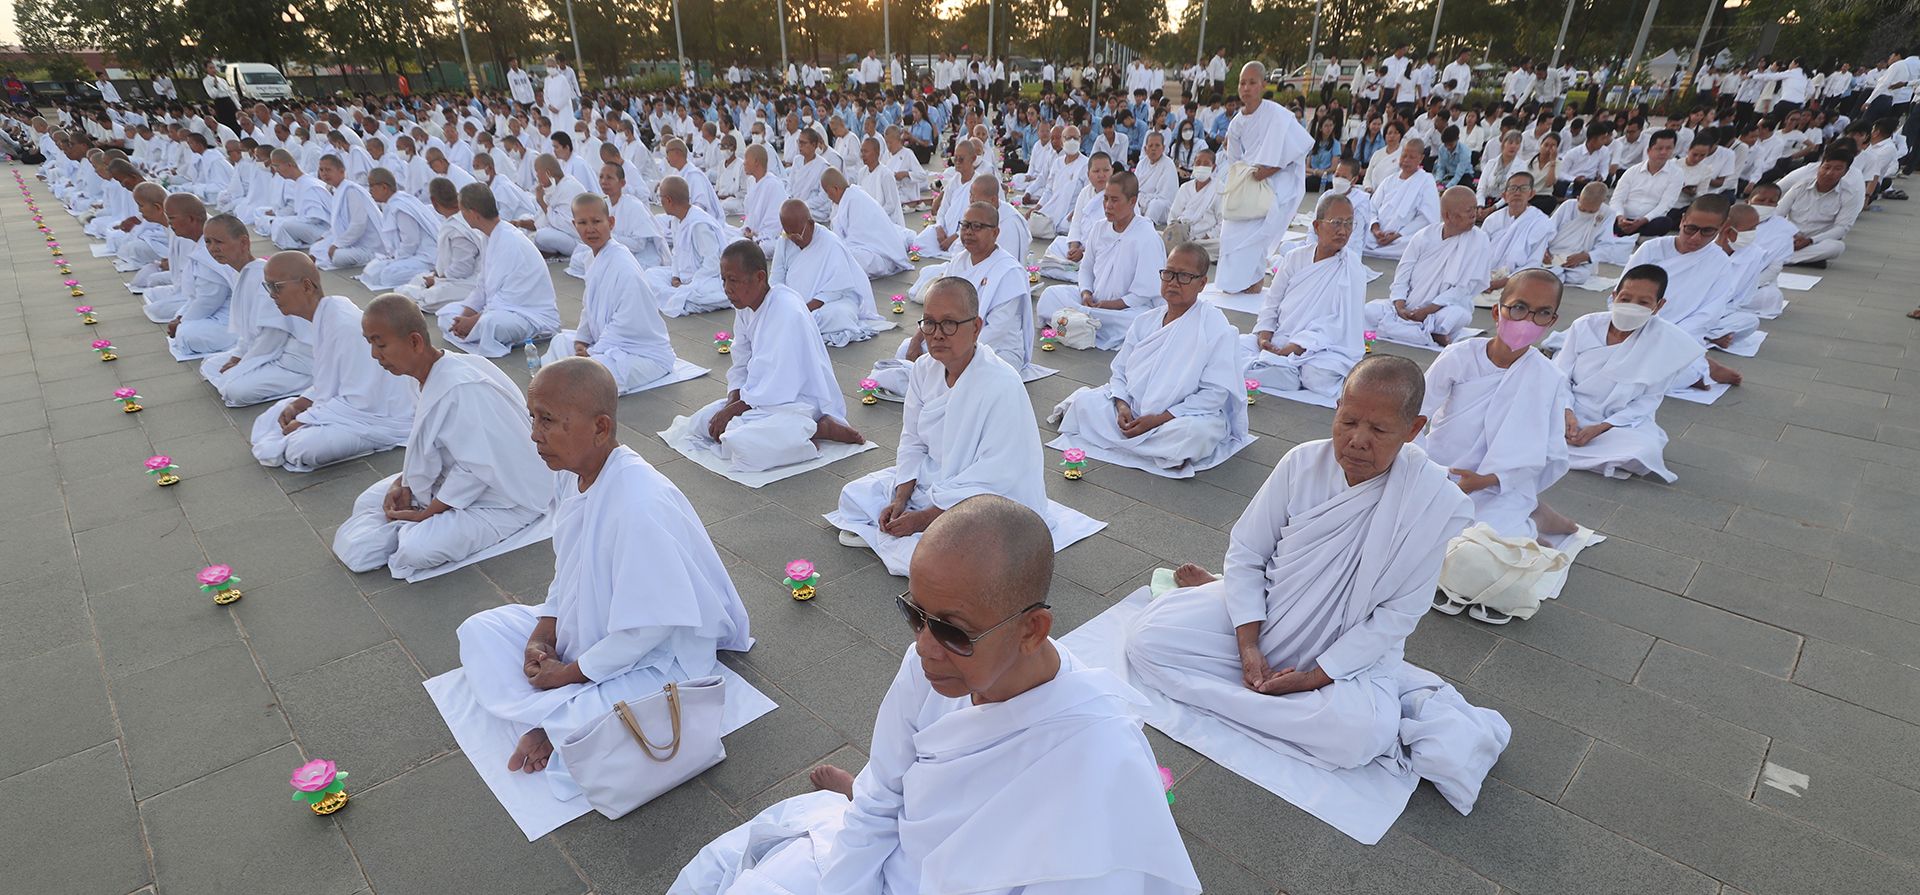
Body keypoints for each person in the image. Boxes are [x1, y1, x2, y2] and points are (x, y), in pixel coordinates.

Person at [672, 496, 1202, 895]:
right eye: (915, 614)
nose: (925, 646)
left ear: (1032, 630)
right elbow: (880, 801)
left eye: (952, 629)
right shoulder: (925, 664)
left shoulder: (1103, 759)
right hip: (889, 866)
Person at [1122, 356, 1506, 811]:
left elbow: (1399, 614)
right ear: (1336, 408)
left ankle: (1269, 683)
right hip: (1267, 611)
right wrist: (1249, 646)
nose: (1357, 440)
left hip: (1347, 647)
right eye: (1348, 421)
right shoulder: (1301, 463)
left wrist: (1315, 678)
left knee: (1361, 736)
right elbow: (1248, 552)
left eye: (1379, 430)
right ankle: (1245, 647)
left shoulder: (1432, 502)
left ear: (1413, 429)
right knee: (1148, 640)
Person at [447, 357, 753, 791]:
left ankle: (555, 722)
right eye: (532, 417)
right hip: (590, 629)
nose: (534, 434)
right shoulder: (571, 475)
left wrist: (567, 674)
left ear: (600, 427)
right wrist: (542, 634)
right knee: (480, 630)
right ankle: (559, 713)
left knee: (590, 724)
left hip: (661, 656)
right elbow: (567, 572)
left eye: (547, 420)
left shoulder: (639, 503)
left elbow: (648, 630)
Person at [830, 278, 1052, 573]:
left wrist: (923, 519)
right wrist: (901, 498)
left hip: (980, 497)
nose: (937, 334)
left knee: (965, 544)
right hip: (932, 481)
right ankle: (920, 534)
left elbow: (999, 474)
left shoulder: (1002, 383)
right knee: (854, 493)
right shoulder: (923, 369)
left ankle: (924, 537)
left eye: (949, 324)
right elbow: (912, 439)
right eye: (930, 323)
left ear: (976, 327)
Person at [334, 295, 554, 579]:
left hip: (505, 496)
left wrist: (428, 513)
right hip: (451, 480)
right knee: (367, 503)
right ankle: (403, 528)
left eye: (381, 344)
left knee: (413, 551)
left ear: (415, 341)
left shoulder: (461, 387)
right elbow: (430, 446)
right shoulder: (422, 376)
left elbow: (476, 469)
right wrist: (404, 483)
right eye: (370, 344)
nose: (375, 355)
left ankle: (408, 531)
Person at [1049, 243, 1250, 478]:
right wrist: (1122, 406)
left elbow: (1214, 394)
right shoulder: (1145, 321)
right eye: (1169, 273)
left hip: (1180, 416)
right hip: (1133, 408)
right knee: (1084, 403)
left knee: (1193, 434)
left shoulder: (1216, 327)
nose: (1173, 282)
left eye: (1184, 276)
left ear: (1202, 283)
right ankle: (1151, 446)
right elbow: (1120, 372)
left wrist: (1158, 419)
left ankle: (1146, 442)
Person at [681, 240, 866, 472]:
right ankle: (793, 435)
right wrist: (731, 402)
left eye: (733, 280)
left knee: (743, 444)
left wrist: (733, 411)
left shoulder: (786, 310)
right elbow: (741, 361)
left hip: (797, 402)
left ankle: (818, 428)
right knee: (700, 424)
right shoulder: (745, 307)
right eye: (723, 280)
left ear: (759, 277)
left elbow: (776, 382)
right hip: (760, 399)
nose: (727, 288)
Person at [1419, 269, 1572, 543]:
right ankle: (1534, 516)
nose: (1528, 320)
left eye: (1542, 313)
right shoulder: (1459, 356)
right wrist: (1423, 467)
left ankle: (1532, 518)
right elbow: (1413, 414)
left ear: (1552, 321)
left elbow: (1548, 452)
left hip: (1497, 485)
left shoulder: (1550, 377)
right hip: (1438, 471)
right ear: (1497, 311)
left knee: (1481, 540)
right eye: (1519, 308)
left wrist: (1487, 480)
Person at [250, 252, 415, 472]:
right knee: (272, 417)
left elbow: (362, 399)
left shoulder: (342, 323)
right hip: (350, 406)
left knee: (302, 448)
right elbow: (331, 379)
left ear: (306, 286)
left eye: (276, 287)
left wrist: (308, 418)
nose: (272, 295)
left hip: (380, 416)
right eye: (268, 287)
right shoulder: (326, 316)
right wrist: (301, 403)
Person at [869, 202, 1037, 396]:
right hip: (951, 337)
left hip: (994, 350)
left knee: (976, 379)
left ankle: (926, 383)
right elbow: (935, 310)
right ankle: (926, 381)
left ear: (995, 232)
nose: (969, 232)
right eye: (965, 225)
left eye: (977, 227)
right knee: (906, 349)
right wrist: (917, 340)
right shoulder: (959, 261)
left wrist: (954, 354)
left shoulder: (1009, 271)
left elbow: (998, 330)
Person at [1554, 265, 1703, 483]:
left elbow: (1648, 401)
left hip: (1617, 422)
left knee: (1643, 451)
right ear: (1614, 296)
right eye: (1625, 299)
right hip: (1569, 407)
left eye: (1643, 303)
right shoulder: (1585, 325)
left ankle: (1564, 448)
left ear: (1658, 306)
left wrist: (1601, 428)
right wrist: (1566, 412)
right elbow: (1559, 376)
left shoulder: (1667, 342)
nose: (1632, 307)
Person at [538, 193, 679, 394]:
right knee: (560, 342)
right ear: (574, 225)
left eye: (596, 221)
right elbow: (589, 307)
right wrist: (581, 341)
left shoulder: (624, 266)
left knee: (592, 372)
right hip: (605, 344)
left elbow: (627, 322)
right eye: (583, 223)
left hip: (642, 354)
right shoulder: (592, 258)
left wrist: (592, 352)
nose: (590, 229)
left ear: (610, 223)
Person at [1243, 194, 1366, 399]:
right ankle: (1281, 372)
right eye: (1336, 223)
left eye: (1349, 223)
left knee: (1316, 376)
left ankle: (1278, 372)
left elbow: (1339, 324)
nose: (1343, 231)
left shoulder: (1352, 268)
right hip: (1280, 338)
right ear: (1317, 226)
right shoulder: (1294, 258)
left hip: (1322, 349)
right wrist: (1264, 336)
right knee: (1233, 343)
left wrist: (1298, 346)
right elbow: (1272, 301)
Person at [1624, 196, 1746, 388]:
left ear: (1721, 228)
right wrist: (1637, 325)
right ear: (1682, 221)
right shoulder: (1651, 249)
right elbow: (1620, 296)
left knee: (1639, 377)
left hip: (1680, 335)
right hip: (1636, 325)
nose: (1696, 238)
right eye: (1691, 228)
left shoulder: (1720, 262)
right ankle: (1700, 367)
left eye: (1707, 232)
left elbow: (1709, 313)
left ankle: (1697, 368)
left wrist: (1665, 335)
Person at [1034, 172, 1165, 350]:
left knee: (1140, 322)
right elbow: (1086, 268)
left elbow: (1145, 292)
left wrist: (1113, 305)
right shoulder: (1099, 228)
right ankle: (1085, 322)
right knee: (1050, 295)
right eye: (1105, 199)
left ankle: (1079, 322)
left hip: (1125, 310)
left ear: (1132, 201)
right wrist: (1086, 293)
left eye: (1114, 200)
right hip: (1094, 301)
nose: (1108, 206)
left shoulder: (1147, 236)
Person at [1216, 62, 1311, 294]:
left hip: (1273, 184)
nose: (1246, 88)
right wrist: (1248, 175)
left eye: (1252, 83)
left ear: (1263, 85)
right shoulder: (1236, 122)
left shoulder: (1277, 115)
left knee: (1257, 237)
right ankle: (1231, 283)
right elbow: (1234, 161)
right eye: (1242, 83)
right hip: (1247, 182)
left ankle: (1253, 283)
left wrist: (1269, 170)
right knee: (1230, 231)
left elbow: (1299, 146)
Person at [436, 183, 561, 357]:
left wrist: (473, 321)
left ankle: (474, 332)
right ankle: (471, 332)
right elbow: (482, 287)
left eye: (462, 210)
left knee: (490, 324)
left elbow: (503, 297)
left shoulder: (509, 240)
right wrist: (464, 318)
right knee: (446, 315)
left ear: (473, 214)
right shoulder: (488, 237)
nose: (461, 215)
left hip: (528, 314)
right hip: (502, 308)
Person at [198, 214, 311, 407]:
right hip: (269, 350)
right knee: (210, 365)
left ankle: (313, 382)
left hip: (295, 358)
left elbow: (273, 335)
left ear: (243, 242)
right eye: (208, 242)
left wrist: (244, 364)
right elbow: (249, 330)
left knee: (236, 390)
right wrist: (238, 355)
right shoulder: (244, 273)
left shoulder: (264, 276)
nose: (212, 248)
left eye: (219, 242)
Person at [1364, 187, 1491, 348]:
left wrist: (1427, 311)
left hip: (1442, 310)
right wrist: (1400, 306)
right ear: (1447, 215)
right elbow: (1402, 275)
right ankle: (1428, 334)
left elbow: (1464, 289)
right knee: (1368, 311)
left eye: (1474, 208)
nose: (1474, 214)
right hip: (1408, 305)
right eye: (1468, 210)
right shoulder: (1423, 236)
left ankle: (1410, 330)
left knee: (1458, 315)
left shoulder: (1479, 240)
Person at [769, 199, 891, 346]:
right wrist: (783, 304)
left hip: (826, 305)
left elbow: (835, 290)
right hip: (794, 306)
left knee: (840, 314)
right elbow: (776, 278)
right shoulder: (784, 241)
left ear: (810, 224)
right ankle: (796, 323)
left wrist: (803, 310)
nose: (793, 239)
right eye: (788, 234)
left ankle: (796, 324)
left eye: (797, 235)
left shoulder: (830, 243)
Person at [643, 175, 730, 316]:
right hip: (684, 278)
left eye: (661, 198)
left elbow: (713, 264)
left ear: (669, 200)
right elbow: (676, 253)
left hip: (706, 279)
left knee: (703, 294)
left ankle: (681, 298)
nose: (660, 202)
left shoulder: (699, 224)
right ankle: (681, 298)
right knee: (650, 275)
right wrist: (675, 276)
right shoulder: (676, 220)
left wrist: (691, 284)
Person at [394, 177, 484, 312]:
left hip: (469, 282)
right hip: (451, 278)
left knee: (426, 296)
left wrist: (438, 280)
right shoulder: (455, 220)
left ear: (434, 202)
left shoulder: (459, 227)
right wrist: (436, 276)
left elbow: (463, 268)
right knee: (417, 280)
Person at [564, 161, 668, 277]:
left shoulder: (633, 206)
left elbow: (639, 244)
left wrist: (608, 237)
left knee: (622, 269)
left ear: (622, 183)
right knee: (578, 259)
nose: (604, 181)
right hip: (610, 249)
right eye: (601, 177)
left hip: (636, 255)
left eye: (609, 178)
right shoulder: (604, 203)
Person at [356, 169, 440, 289]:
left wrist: (396, 258)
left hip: (425, 257)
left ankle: (432, 275)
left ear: (384, 187)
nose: (370, 191)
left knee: (387, 276)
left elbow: (411, 242)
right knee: (372, 271)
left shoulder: (400, 207)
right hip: (409, 255)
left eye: (372, 186)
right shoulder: (395, 202)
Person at [823, 167, 911, 277]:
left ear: (836, 188)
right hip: (866, 249)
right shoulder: (845, 200)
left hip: (881, 256)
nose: (828, 197)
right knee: (835, 255)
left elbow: (856, 238)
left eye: (828, 192)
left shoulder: (855, 199)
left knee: (844, 257)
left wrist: (838, 248)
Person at [1777, 149, 1860, 266]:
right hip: (1790, 237)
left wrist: (1810, 241)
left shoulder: (1849, 194)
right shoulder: (1801, 186)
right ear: (1820, 167)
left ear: (1845, 172)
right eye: (1826, 167)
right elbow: (1778, 214)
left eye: (1837, 169)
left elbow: (1841, 228)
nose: (1829, 173)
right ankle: (1801, 258)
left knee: (1836, 247)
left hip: (1816, 241)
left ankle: (1779, 258)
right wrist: (1791, 235)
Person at [1361, 139, 1438, 258]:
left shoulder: (1426, 180)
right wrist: (1376, 229)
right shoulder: (1389, 180)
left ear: (1421, 158)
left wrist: (1398, 234)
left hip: (1403, 236)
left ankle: (1381, 247)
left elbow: (1426, 218)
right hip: (1377, 233)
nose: (1406, 160)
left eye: (1411, 157)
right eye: (1404, 155)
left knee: (1420, 243)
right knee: (1357, 233)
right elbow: (1372, 208)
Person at [1481, 173, 1555, 291]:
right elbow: (1479, 252)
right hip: (1486, 275)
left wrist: (1503, 282)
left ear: (1531, 194)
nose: (1517, 193)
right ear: (1504, 195)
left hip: (1518, 278)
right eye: (1513, 188)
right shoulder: (1492, 220)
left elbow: (1533, 263)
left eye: (1523, 188)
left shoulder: (1540, 222)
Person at [310, 154, 384, 270]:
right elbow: (339, 223)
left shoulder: (352, 190)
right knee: (316, 248)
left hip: (368, 246)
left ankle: (371, 258)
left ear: (341, 171)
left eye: (328, 170)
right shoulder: (338, 190)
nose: (324, 174)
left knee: (338, 257)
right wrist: (325, 237)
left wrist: (338, 244)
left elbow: (358, 224)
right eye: (321, 170)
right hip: (351, 242)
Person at [1544, 181, 1612, 285]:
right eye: (1582, 209)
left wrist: (1585, 257)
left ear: (1602, 202)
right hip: (1553, 254)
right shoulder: (1567, 206)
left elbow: (1606, 245)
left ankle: (1554, 274)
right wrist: (1544, 250)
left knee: (1581, 276)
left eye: (1591, 211)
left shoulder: (1608, 213)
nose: (1586, 213)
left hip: (1580, 261)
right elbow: (1547, 230)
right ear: (1578, 198)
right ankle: (1554, 273)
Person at [263, 150, 333, 250]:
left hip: (324, 230)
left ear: (289, 165)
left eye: (277, 166)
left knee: (284, 226)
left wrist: (295, 220)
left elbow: (315, 218)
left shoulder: (308, 184)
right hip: (311, 225)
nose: (276, 170)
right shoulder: (300, 182)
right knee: (278, 222)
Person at [735, 143, 789, 253]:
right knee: (727, 234)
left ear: (756, 162)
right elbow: (750, 216)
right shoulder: (751, 181)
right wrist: (748, 229)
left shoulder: (773, 185)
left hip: (767, 238)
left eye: (746, 159)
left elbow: (775, 222)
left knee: (766, 247)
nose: (743, 163)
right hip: (751, 234)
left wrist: (757, 235)